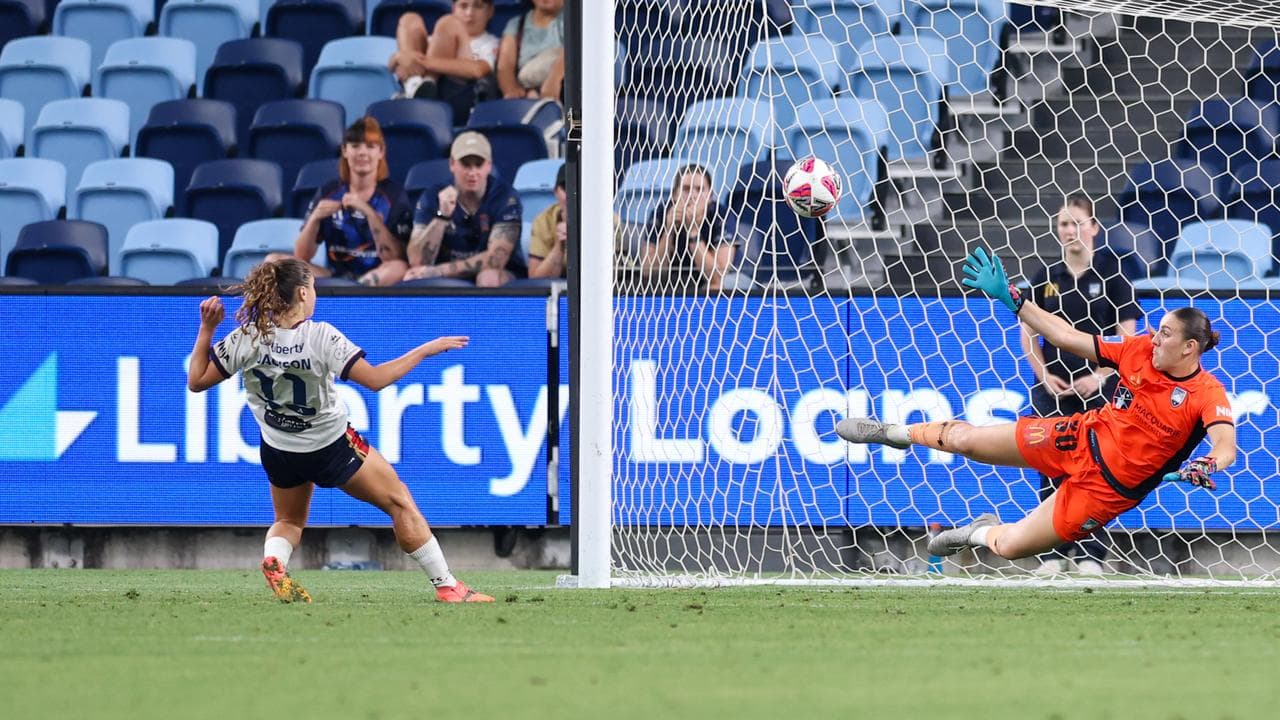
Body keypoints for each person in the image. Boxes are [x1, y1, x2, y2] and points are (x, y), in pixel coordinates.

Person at [838, 248, 1237, 563]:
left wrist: (1207, 464)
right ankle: (895, 433)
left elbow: (1225, 446)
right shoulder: (1137, 351)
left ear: (1189, 347)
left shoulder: (1207, 393)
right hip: (1078, 437)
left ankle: (977, 531)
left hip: (1107, 491)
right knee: (968, 441)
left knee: (1010, 546)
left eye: (1164, 334)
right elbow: (1065, 335)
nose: (1153, 338)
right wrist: (1014, 299)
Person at [187, 258, 493, 603]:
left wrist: (206, 330)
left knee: (288, 519)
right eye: (313, 287)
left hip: (278, 448)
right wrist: (424, 350)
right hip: (330, 445)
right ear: (302, 293)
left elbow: (196, 381)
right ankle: (448, 586)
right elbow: (376, 381)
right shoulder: (320, 336)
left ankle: (275, 559)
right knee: (400, 502)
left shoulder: (249, 335)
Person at [1022, 196, 1142, 575]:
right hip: (1053, 390)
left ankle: (1092, 554)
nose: (1070, 231)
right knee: (1049, 464)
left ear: (1093, 228)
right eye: (1063, 224)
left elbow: (1128, 340)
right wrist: (1044, 376)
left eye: (1077, 223)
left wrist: (1101, 376)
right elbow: (1028, 334)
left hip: (1100, 390)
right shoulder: (1045, 277)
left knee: (1095, 468)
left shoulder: (1114, 276)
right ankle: (1052, 552)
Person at [288, 117, 413, 287]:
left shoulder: (394, 195)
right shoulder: (328, 192)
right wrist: (315, 218)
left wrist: (369, 213)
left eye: (370, 146)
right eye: (355, 146)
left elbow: (394, 258)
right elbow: (301, 255)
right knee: (275, 262)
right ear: (345, 151)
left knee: (399, 267)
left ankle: (355, 294)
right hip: (333, 276)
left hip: (377, 278)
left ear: (381, 152)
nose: (362, 153)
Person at [403, 131, 524, 286]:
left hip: (498, 274)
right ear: (452, 164)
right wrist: (442, 216)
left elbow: (496, 260)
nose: (472, 173)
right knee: (411, 277)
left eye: (478, 164)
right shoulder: (432, 196)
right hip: (446, 276)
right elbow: (417, 261)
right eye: (465, 164)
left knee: (488, 278)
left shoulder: (505, 197)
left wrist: (440, 271)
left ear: (488, 166)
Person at [388, 0, 499, 124]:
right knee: (409, 20)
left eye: (478, 6)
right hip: (424, 92)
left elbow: (478, 70)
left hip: (459, 96)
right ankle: (414, 86)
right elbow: (393, 67)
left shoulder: (492, 43)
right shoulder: (435, 39)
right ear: (453, 8)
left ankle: (427, 84)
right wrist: (398, 57)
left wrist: (425, 62)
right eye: (463, 6)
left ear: (490, 11)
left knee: (449, 23)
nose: (469, 13)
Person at [639, 164, 738, 292]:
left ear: (710, 196)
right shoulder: (661, 212)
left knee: (713, 288)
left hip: (731, 279)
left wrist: (693, 231)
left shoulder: (722, 215)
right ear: (675, 194)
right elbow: (648, 271)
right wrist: (669, 231)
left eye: (700, 189)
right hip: (680, 278)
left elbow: (716, 277)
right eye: (686, 189)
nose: (692, 195)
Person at [496, 0, 564, 101]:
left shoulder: (575, 21)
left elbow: (574, 54)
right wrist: (512, 91)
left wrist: (554, 81)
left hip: (562, 92)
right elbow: (505, 66)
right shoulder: (516, 24)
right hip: (527, 94)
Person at [527, 164, 567, 279]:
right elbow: (536, 280)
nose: (573, 194)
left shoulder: (609, 221)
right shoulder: (542, 221)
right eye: (566, 188)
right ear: (555, 192)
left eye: (579, 187)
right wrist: (560, 245)